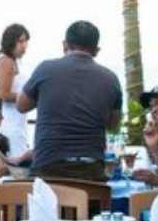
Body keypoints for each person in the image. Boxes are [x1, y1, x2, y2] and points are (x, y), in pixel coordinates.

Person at [17, 21, 122, 181]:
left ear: (65, 44)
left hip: (48, 169)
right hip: (91, 172)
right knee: (91, 203)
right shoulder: (111, 79)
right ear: (96, 50)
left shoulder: (45, 69)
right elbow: (113, 125)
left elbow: (21, 105)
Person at [0, 23, 33, 163]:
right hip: (9, 123)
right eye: (20, 41)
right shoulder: (7, 62)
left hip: (14, 121)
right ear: (10, 41)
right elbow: (2, 94)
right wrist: (29, 97)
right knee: (17, 166)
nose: (24, 45)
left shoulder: (10, 61)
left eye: (26, 41)